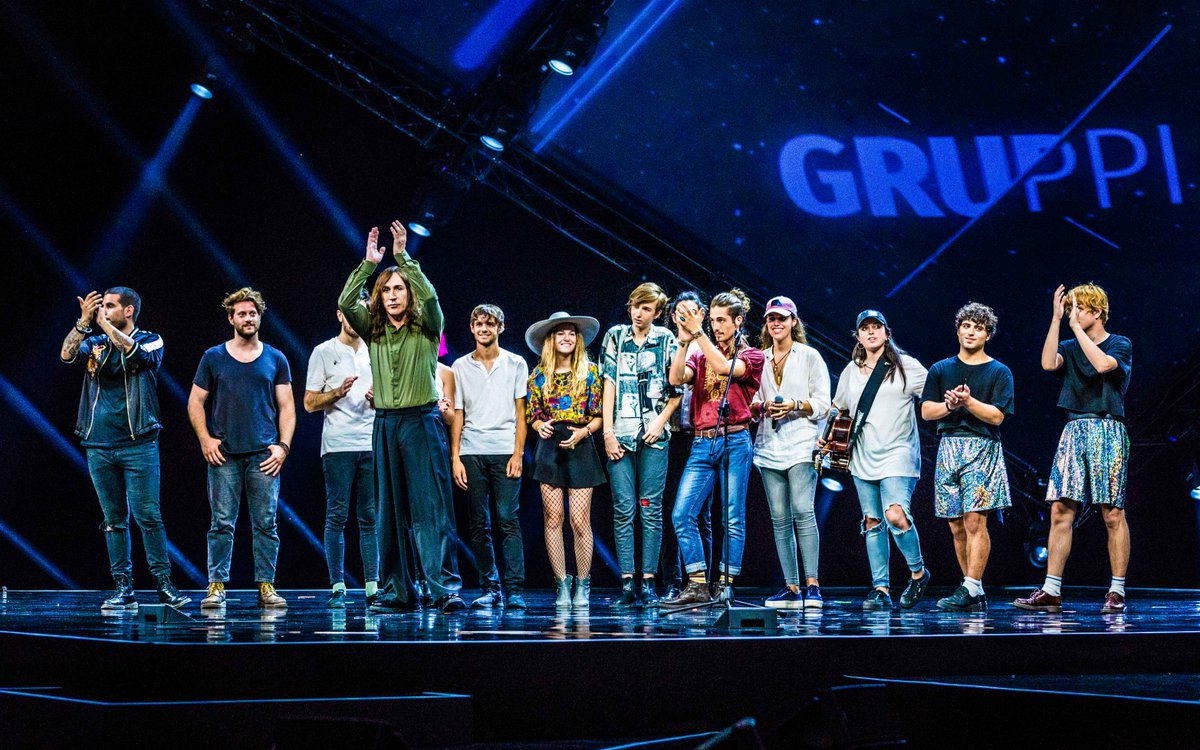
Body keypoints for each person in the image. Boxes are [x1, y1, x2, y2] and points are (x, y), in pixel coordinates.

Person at [338, 221, 464, 614]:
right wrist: (368, 264)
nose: (392, 295)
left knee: (430, 509)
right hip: (386, 424)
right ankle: (397, 592)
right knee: (388, 512)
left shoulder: (427, 327)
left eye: (399, 289)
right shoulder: (373, 330)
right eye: (386, 290)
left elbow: (431, 296)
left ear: (409, 295)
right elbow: (346, 302)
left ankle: (443, 589)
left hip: (421, 422)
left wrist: (403, 259)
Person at [60, 287, 190, 611]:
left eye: (110, 306)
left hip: (138, 444)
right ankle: (123, 588)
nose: (103, 311)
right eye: (102, 306)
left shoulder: (151, 340)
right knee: (113, 519)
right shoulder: (96, 342)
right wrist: (82, 324)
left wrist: (103, 324)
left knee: (148, 516)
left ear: (128, 310)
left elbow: (136, 355)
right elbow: (66, 355)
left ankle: (164, 585)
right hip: (99, 444)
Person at [1014, 283, 1132, 614]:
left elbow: (1103, 365)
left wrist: (1078, 329)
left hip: (1107, 428)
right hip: (1074, 429)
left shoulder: (1120, 343)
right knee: (1060, 510)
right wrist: (1055, 319)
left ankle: (1117, 591)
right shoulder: (1069, 344)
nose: (1073, 315)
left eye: (1079, 308)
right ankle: (1051, 589)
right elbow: (1048, 363)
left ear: (1097, 311)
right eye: (1071, 309)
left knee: (1112, 513)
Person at [188, 287, 295, 609]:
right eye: (242, 314)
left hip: (264, 454)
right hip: (224, 455)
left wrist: (283, 447)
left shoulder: (275, 358)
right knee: (221, 523)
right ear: (231, 318)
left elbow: (287, 407)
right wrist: (205, 439)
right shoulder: (213, 357)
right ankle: (216, 586)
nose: (248, 318)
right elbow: (195, 401)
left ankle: (266, 586)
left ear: (260, 317)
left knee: (266, 523)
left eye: (253, 313)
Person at [660, 289, 764, 606]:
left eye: (722, 321)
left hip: (735, 440)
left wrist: (698, 333)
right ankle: (697, 583)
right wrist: (683, 342)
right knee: (682, 514)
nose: (716, 326)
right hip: (702, 442)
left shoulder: (753, 356)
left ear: (738, 321)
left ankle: (725, 584)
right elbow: (677, 378)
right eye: (713, 320)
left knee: (732, 517)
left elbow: (724, 368)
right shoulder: (700, 352)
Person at [829, 309, 931, 611]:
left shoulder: (906, 366)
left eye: (876, 327)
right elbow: (839, 408)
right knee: (872, 521)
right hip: (862, 455)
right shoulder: (851, 371)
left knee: (895, 515)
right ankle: (881, 588)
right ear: (858, 336)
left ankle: (918, 573)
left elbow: (933, 395)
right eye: (865, 328)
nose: (871, 332)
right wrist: (829, 435)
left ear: (887, 333)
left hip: (899, 452)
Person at [919, 303, 1013, 612]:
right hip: (948, 447)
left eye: (978, 327)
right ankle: (974, 589)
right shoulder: (940, 369)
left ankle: (970, 586)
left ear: (988, 334)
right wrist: (950, 405)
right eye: (966, 326)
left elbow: (997, 416)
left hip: (981, 447)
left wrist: (968, 402)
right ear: (958, 329)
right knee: (956, 524)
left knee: (975, 520)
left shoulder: (999, 372)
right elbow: (926, 411)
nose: (971, 332)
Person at [601, 283, 681, 608]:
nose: (638, 312)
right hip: (620, 433)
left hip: (653, 435)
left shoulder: (666, 339)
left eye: (646, 308)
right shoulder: (615, 336)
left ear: (657, 312)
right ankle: (627, 584)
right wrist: (607, 432)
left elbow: (676, 391)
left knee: (650, 508)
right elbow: (608, 382)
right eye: (635, 306)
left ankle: (648, 583)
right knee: (624, 509)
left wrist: (660, 422)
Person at [750, 296, 830, 610]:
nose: (776, 323)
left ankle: (813, 586)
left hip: (801, 442)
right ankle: (792, 587)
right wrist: (762, 406)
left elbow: (824, 403)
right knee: (779, 517)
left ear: (793, 322)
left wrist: (795, 404)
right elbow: (750, 401)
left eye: (782, 318)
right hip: (769, 444)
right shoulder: (759, 358)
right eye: (772, 318)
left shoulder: (809, 356)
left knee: (802, 510)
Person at [450, 304, 529, 610]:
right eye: (479, 324)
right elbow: (458, 414)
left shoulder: (516, 363)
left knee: (508, 519)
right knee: (478, 524)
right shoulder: (459, 366)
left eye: (490, 324)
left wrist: (518, 454)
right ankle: (491, 588)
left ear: (500, 328)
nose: (484, 329)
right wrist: (455, 457)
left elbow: (521, 414)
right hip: (472, 450)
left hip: (504, 449)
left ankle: (515, 589)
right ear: (471, 328)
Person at [525, 311, 605, 609]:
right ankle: (561, 584)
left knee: (579, 519)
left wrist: (584, 432)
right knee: (553, 517)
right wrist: (539, 426)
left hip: (580, 444)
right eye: (561, 333)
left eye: (572, 333)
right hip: (550, 447)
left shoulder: (590, 372)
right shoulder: (538, 375)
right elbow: (533, 414)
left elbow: (599, 415)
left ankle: (583, 583)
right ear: (551, 339)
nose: (567, 337)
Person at [303, 297, 379, 609]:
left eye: (362, 313)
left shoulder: (377, 349)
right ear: (339, 315)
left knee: (369, 517)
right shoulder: (323, 351)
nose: (355, 318)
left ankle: (373, 588)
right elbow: (309, 403)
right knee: (337, 515)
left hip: (371, 443)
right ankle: (337, 586)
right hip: (337, 445)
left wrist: (379, 398)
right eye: (350, 313)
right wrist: (336, 393)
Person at [658, 291, 711, 600]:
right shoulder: (669, 346)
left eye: (692, 311)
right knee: (671, 509)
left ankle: (705, 581)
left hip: (703, 436)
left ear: (701, 314)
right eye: (681, 312)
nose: (686, 317)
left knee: (701, 514)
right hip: (675, 436)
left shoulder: (709, 346)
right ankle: (672, 581)